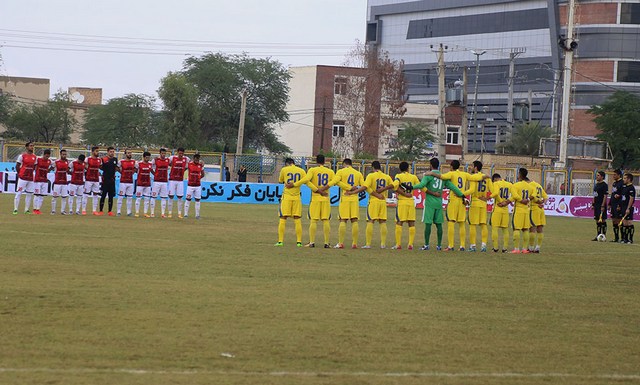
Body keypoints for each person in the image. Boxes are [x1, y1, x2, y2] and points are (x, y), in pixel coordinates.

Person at [428, 160, 487, 251]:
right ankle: (462, 246)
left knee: (451, 222)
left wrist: (430, 173)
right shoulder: (464, 174)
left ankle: (451, 246)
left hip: (454, 200)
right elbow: (475, 178)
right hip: (462, 201)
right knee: (461, 223)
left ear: (451, 167)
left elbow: (442, 176)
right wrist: (485, 176)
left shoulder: (451, 174)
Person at [412, 158, 465, 251]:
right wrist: (462, 195)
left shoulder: (428, 175)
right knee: (439, 224)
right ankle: (439, 245)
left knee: (428, 224)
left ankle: (426, 245)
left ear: (431, 165)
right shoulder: (443, 177)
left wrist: (411, 187)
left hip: (429, 203)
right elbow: (453, 187)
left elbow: (421, 185)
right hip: (439, 203)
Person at [290, 154, 332, 248]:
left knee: (313, 220)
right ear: (324, 161)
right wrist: (324, 189)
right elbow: (334, 181)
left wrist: (295, 184)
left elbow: (306, 180)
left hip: (315, 198)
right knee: (326, 220)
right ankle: (326, 243)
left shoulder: (312, 170)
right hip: (325, 198)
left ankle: (312, 242)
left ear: (316, 161)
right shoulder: (330, 171)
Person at [349, 160, 393, 249]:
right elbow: (393, 185)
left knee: (370, 221)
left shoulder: (371, 175)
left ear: (373, 167)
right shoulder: (386, 176)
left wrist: (354, 192)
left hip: (373, 201)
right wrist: (384, 188)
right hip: (383, 201)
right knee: (383, 222)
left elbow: (365, 187)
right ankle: (383, 244)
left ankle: (368, 244)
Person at [327, 158, 364, 249]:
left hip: (345, 197)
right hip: (355, 198)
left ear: (344, 164)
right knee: (354, 220)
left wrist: (348, 187)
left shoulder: (341, 171)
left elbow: (336, 182)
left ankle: (340, 243)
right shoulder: (358, 173)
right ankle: (354, 243)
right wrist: (355, 188)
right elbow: (364, 186)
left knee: (343, 220)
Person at [388, 161, 421, 250]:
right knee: (411, 223)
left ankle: (398, 244)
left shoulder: (399, 176)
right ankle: (410, 244)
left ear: (400, 169)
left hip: (402, 202)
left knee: (399, 222)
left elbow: (395, 187)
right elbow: (419, 186)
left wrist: (403, 193)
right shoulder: (413, 177)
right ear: (407, 168)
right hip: (411, 201)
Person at [275, 158, 307, 246]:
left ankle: (280, 241)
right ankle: (299, 242)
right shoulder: (301, 170)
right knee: (297, 219)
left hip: (286, 197)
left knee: (283, 218)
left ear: (287, 163)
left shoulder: (284, 169)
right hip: (297, 197)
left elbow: (280, 180)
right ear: (294, 163)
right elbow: (306, 180)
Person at [462, 161, 493, 252]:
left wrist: (461, 194)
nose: (470, 167)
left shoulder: (474, 177)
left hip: (475, 202)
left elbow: (471, 190)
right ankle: (483, 246)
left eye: (472, 166)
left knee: (473, 225)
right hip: (483, 204)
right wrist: (488, 198)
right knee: (483, 225)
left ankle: (473, 246)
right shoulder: (487, 178)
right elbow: (493, 190)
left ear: (475, 168)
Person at [509, 168, 536, 253]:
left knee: (516, 229)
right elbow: (534, 194)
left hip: (518, 209)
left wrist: (521, 200)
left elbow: (514, 195)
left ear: (520, 174)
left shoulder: (516, 185)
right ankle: (524, 249)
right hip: (526, 210)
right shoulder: (530, 186)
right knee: (525, 229)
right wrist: (527, 199)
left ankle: (516, 249)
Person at [489, 173, 512, 253]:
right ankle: (505, 248)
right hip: (505, 209)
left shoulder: (496, 184)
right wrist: (506, 202)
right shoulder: (509, 184)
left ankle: (495, 248)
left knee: (495, 228)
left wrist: (489, 197)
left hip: (498, 208)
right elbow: (514, 195)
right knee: (505, 229)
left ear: (495, 179)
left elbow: (495, 193)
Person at [13, 141, 37, 215]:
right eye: (30, 146)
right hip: (22, 177)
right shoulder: (22, 156)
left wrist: (31, 172)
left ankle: (26, 209)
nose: (32, 147)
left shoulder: (34, 157)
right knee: (19, 193)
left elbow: (35, 166)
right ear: (26, 147)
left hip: (30, 178)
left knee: (29, 194)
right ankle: (15, 209)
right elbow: (17, 165)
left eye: (32, 146)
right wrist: (19, 174)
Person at [168, 148, 190, 218]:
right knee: (171, 196)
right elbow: (166, 162)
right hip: (172, 179)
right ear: (177, 152)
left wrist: (184, 169)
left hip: (180, 180)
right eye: (180, 153)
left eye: (182, 153)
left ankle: (179, 213)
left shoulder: (186, 159)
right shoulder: (172, 158)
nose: (181, 155)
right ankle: (170, 213)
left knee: (180, 197)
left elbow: (189, 165)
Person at [528, 177, 548, 253]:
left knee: (532, 228)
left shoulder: (530, 185)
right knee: (540, 229)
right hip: (541, 210)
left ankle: (530, 247)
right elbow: (546, 197)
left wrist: (538, 202)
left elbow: (533, 197)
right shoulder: (539, 185)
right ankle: (538, 247)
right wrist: (542, 203)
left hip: (534, 209)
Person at [98, 146, 118, 216]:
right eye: (111, 152)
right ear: (108, 152)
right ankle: (101, 210)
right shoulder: (103, 159)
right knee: (103, 195)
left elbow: (115, 168)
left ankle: (110, 211)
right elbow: (100, 167)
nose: (112, 153)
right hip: (105, 180)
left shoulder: (115, 159)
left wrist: (114, 174)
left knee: (111, 196)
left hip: (112, 180)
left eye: (113, 152)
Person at [184, 153, 205, 219]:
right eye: (196, 158)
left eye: (198, 158)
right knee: (188, 199)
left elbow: (203, 174)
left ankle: (197, 215)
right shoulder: (189, 164)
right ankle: (185, 214)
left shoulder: (200, 165)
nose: (197, 159)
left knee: (198, 200)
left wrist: (198, 178)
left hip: (198, 185)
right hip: (190, 185)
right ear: (193, 158)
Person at [116, 149, 137, 216]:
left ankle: (129, 212)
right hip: (123, 182)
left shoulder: (134, 162)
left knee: (130, 197)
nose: (129, 154)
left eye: (130, 153)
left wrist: (133, 172)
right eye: (128, 153)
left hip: (130, 182)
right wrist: (121, 172)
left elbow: (136, 168)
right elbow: (116, 167)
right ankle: (118, 211)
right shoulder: (121, 161)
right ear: (125, 154)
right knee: (120, 197)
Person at [32, 149, 53, 215]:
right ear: (44, 154)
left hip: (44, 180)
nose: (47, 157)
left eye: (48, 156)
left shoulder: (49, 161)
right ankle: (34, 209)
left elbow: (54, 165)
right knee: (36, 195)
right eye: (46, 156)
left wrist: (49, 170)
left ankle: (38, 209)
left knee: (42, 195)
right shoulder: (38, 160)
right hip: (38, 180)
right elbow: (34, 165)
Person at [151, 148, 170, 218]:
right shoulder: (155, 159)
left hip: (164, 182)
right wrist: (155, 174)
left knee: (164, 197)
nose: (163, 155)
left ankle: (163, 213)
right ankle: (152, 213)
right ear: (160, 153)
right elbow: (150, 167)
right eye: (162, 153)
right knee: (153, 197)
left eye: (164, 153)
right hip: (156, 181)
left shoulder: (168, 160)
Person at [83, 146, 103, 215]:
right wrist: (88, 170)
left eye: (98, 151)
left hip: (96, 179)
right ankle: (83, 210)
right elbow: (84, 166)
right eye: (96, 151)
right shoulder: (87, 159)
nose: (98, 153)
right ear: (92, 152)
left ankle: (94, 210)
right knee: (86, 194)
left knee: (95, 194)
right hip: (89, 179)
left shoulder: (99, 160)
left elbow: (100, 167)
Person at [51, 149, 70, 215]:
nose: (64, 155)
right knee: (54, 197)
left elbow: (68, 170)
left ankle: (63, 211)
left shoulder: (67, 161)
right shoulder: (56, 162)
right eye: (63, 154)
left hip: (64, 182)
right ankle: (53, 211)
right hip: (57, 182)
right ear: (60, 154)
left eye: (65, 154)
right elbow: (51, 168)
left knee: (64, 197)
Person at [135, 152, 153, 218]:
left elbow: (152, 171)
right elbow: (135, 170)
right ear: (143, 157)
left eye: (149, 157)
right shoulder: (139, 164)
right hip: (140, 184)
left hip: (147, 184)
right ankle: (137, 212)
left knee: (147, 199)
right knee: (138, 198)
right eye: (146, 157)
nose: (147, 159)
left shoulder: (150, 164)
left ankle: (145, 213)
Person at [591, 171, 608, 241]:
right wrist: (593, 204)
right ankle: (598, 235)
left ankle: (603, 235)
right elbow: (594, 195)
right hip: (596, 205)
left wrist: (603, 205)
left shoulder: (604, 185)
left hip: (601, 205)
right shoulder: (596, 185)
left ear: (602, 177)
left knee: (603, 220)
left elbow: (605, 196)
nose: (596, 176)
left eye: (598, 175)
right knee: (597, 221)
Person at [619, 173, 636, 244]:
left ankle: (630, 239)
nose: (623, 179)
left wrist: (628, 208)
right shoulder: (624, 187)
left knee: (629, 223)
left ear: (629, 179)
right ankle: (625, 238)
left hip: (628, 207)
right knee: (624, 223)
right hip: (623, 207)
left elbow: (631, 199)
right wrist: (619, 206)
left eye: (625, 178)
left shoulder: (631, 188)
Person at [609, 169, 624, 242]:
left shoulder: (622, 183)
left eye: (615, 174)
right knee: (614, 221)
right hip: (613, 205)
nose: (613, 176)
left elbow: (623, 195)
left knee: (619, 221)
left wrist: (619, 204)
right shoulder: (614, 183)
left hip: (619, 205)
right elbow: (612, 194)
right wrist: (609, 204)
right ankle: (616, 238)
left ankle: (623, 238)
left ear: (619, 175)